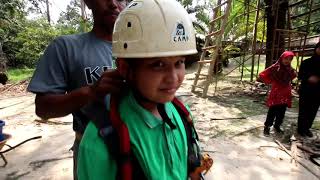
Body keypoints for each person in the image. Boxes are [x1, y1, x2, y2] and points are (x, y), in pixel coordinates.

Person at [77, 0, 212, 179]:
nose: (173, 78)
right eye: (158, 64)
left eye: (179, 62)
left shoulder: (179, 113)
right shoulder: (100, 141)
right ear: (125, 68)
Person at [27, 0, 127, 179]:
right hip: (92, 153)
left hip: (144, 146)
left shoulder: (145, 48)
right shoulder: (65, 47)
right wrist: (91, 92)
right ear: (88, 2)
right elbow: (42, 108)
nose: (113, 4)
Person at [259, 51, 297, 136]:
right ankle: (267, 127)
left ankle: (277, 126)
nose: (287, 61)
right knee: (272, 110)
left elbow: (293, 76)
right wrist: (270, 81)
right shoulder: (275, 67)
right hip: (276, 91)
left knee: (282, 111)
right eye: (286, 58)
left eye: (290, 59)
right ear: (281, 58)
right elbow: (262, 74)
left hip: (285, 92)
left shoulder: (290, 69)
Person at [297, 42, 320, 137]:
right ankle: (300, 129)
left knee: (313, 110)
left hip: (318, 91)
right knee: (303, 110)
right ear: (316, 48)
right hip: (306, 90)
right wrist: (309, 77)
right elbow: (300, 75)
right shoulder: (306, 62)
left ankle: (307, 128)